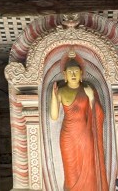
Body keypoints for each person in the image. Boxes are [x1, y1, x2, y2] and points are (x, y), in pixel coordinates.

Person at [49, 52, 107, 191]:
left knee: (88, 166)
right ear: (65, 74)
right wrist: (53, 96)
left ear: (81, 73)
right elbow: (54, 116)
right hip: (68, 136)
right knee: (70, 171)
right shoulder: (61, 91)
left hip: (85, 135)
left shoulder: (87, 89)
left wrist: (92, 97)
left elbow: (98, 113)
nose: (73, 75)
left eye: (76, 71)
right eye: (70, 72)